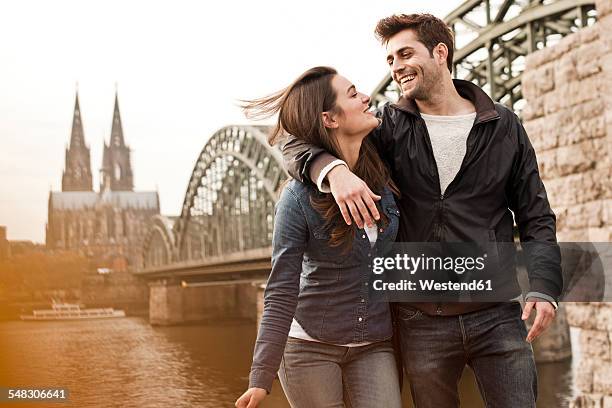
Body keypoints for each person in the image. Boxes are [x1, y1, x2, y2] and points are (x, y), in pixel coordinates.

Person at [281, 14, 563, 408]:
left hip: (497, 313)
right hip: (419, 320)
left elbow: (536, 214)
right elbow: (296, 141)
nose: (396, 67)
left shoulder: (503, 126)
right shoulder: (387, 127)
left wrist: (545, 286)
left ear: (440, 53)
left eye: (405, 53)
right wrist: (333, 170)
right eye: (390, 60)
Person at [235, 66, 402, 408]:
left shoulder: (383, 176)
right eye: (354, 94)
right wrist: (260, 375)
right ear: (330, 118)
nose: (367, 97)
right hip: (309, 347)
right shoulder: (296, 199)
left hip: (374, 342)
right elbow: (281, 289)